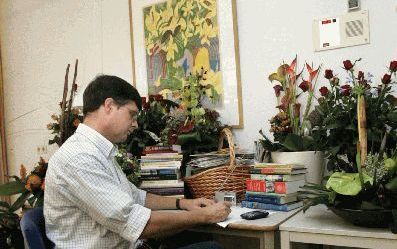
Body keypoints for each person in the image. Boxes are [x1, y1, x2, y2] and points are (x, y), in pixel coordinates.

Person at [44, 75, 231, 249]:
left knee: (204, 242)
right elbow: (136, 223)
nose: (135, 124)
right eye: (131, 115)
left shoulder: (96, 151)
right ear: (109, 106)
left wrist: (184, 204)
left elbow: (136, 197)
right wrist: (200, 216)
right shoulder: (80, 158)